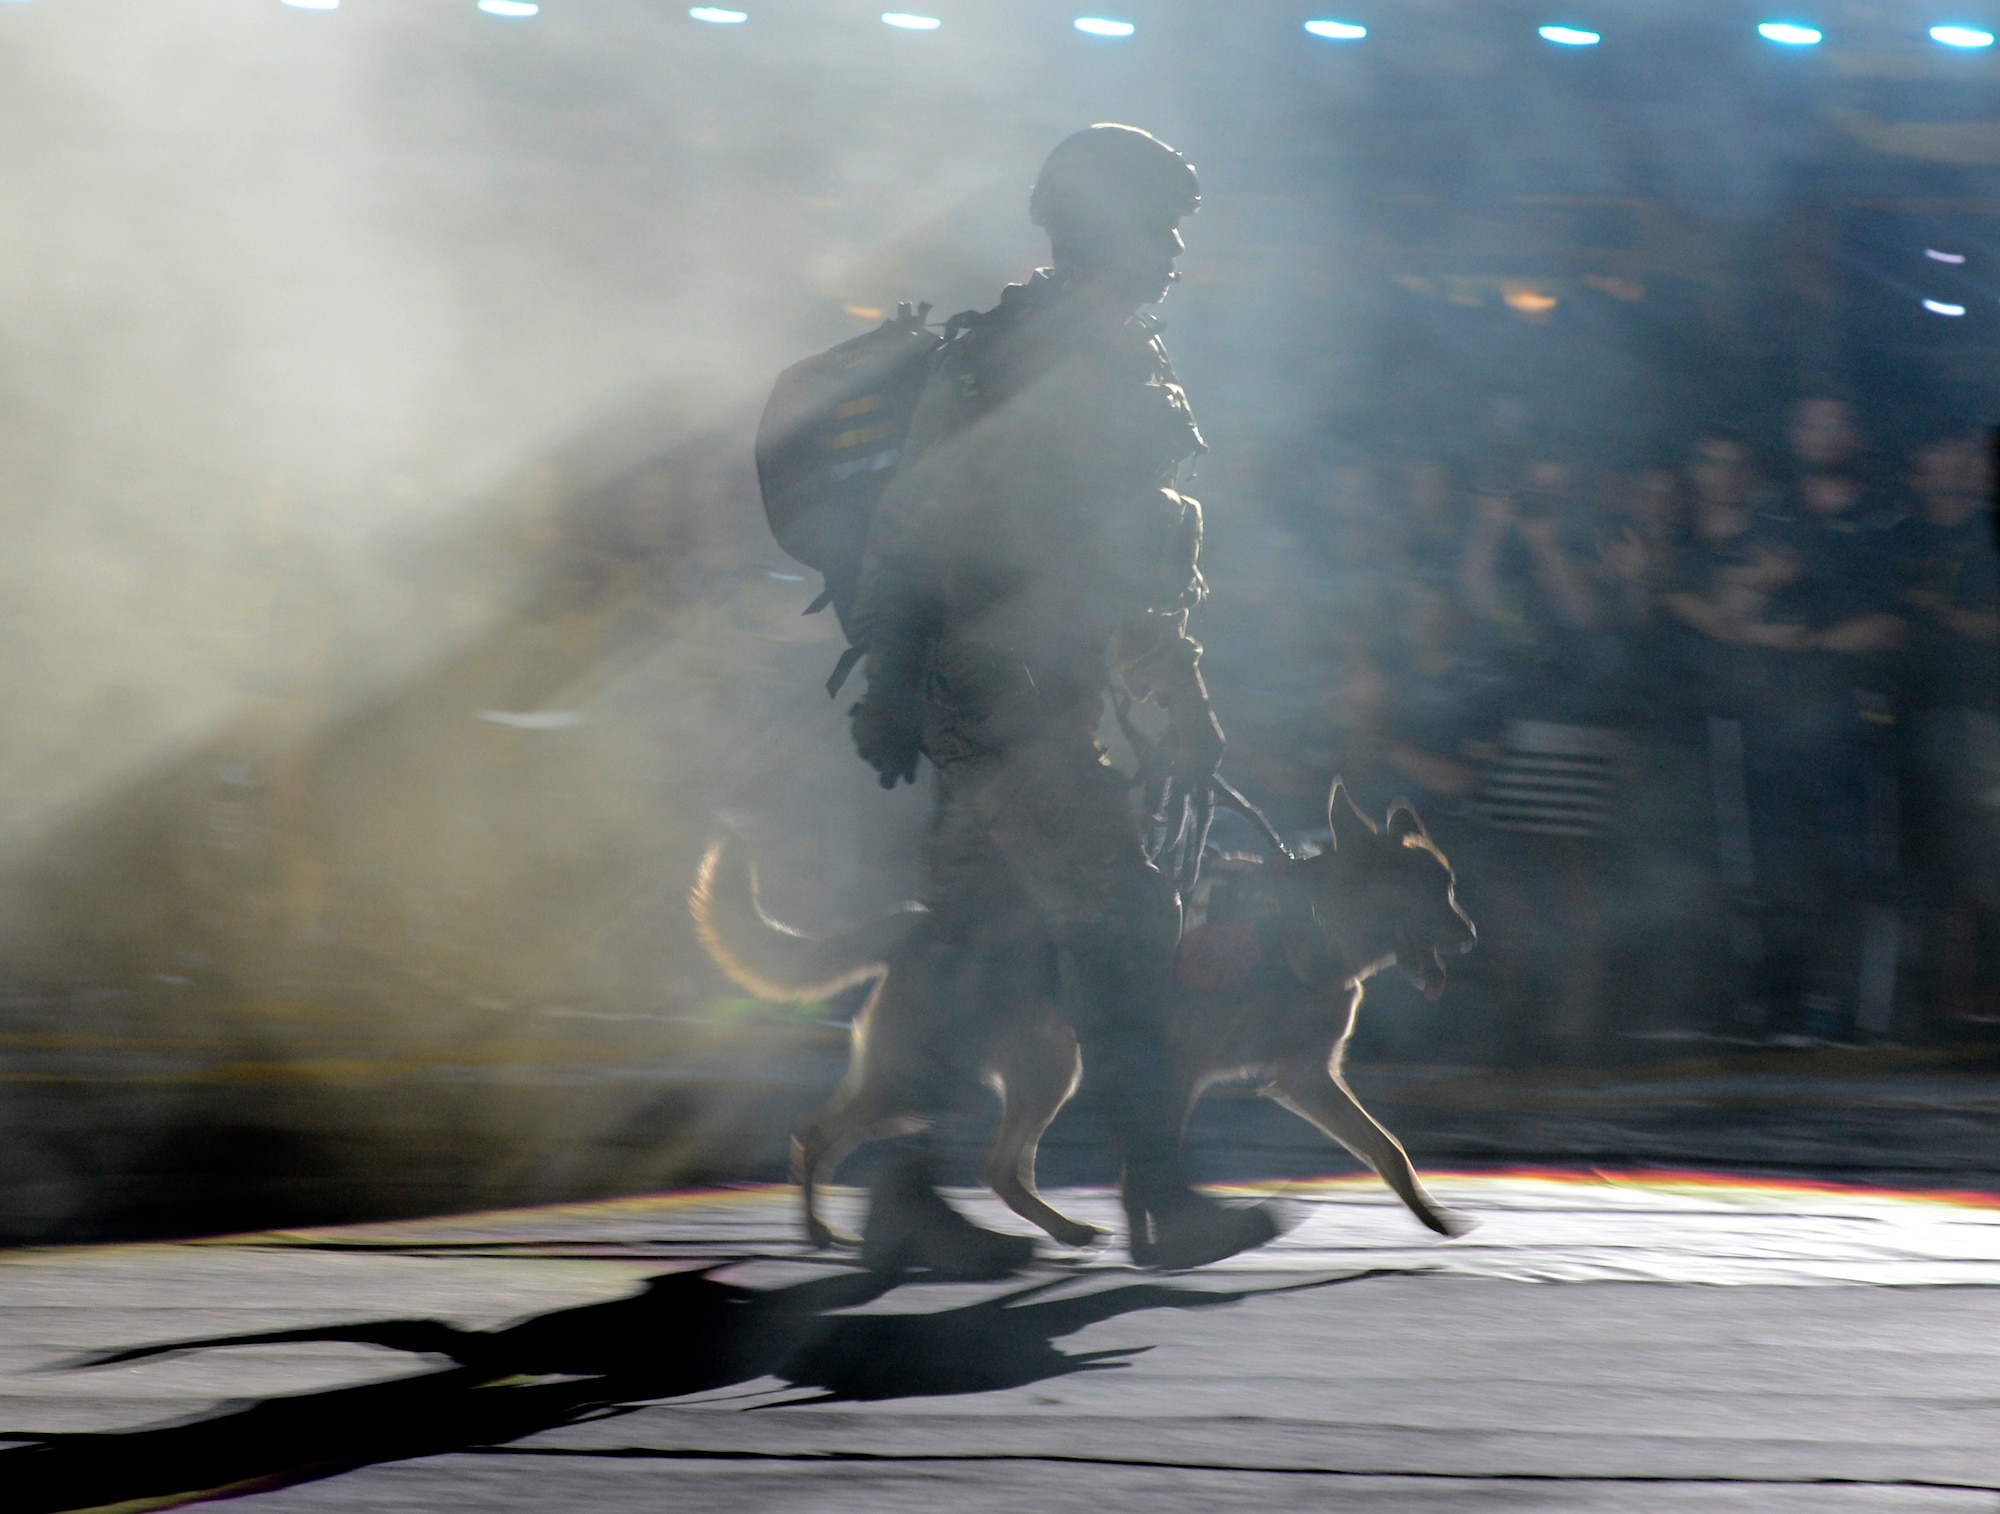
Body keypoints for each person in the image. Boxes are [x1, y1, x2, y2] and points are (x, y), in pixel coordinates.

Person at [845, 124, 1278, 1273]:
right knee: (1121, 922)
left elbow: (1120, 562)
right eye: (1165, 229)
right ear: (1111, 230)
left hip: (1019, 694)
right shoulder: (1034, 355)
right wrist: (895, 681)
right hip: (1001, 701)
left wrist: (1166, 699)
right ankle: (1159, 1197)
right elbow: (922, 521)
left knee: (976, 943)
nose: (1178, 252)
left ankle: (905, 1193)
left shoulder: (1089, 352)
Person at [1897, 431, 2000, 1024]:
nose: (1955, 467)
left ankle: (1973, 988)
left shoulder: (1986, 532)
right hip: (1906, 717)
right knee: (1931, 863)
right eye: (1943, 453)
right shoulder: (1902, 535)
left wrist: (1935, 610)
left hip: (1976, 714)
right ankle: (1944, 991)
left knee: (1982, 854)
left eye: (1967, 457)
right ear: (1920, 465)